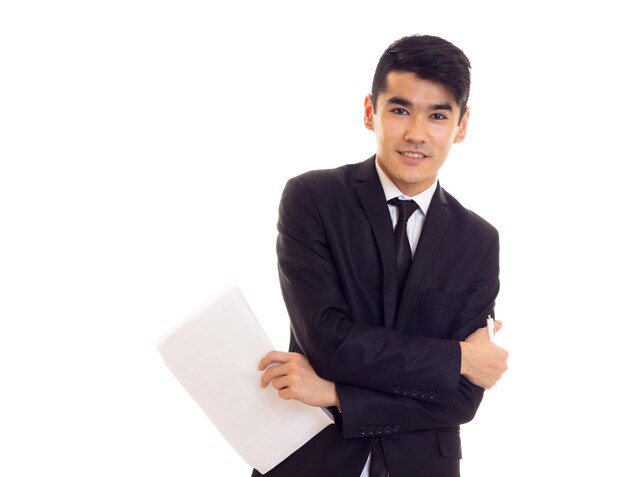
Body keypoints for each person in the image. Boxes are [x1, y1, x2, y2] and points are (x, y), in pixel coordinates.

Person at [255, 34, 509, 477]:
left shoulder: (478, 240)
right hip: (310, 459)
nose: (416, 133)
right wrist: (458, 358)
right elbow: (329, 344)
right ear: (371, 111)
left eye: (437, 115)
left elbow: (462, 400)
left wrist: (336, 394)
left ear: (461, 126)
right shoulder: (313, 199)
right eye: (399, 110)